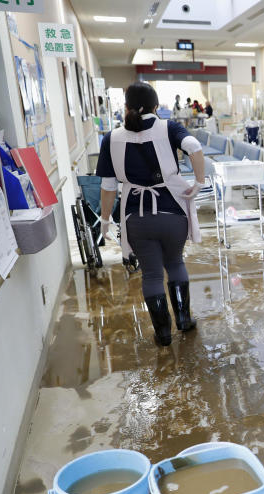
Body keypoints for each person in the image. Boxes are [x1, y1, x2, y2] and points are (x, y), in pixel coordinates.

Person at [96, 82, 206, 347]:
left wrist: (105, 221)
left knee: (152, 275)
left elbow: (109, 186)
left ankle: (163, 334)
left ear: (127, 107)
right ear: (155, 106)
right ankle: (183, 320)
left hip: (137, 217)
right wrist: (199, 181)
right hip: (173, 213)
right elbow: (194, 147)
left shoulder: (112, 138)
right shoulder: (169, 127)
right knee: (176, 263)